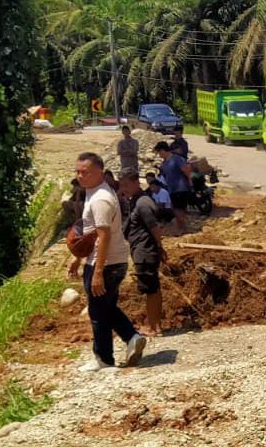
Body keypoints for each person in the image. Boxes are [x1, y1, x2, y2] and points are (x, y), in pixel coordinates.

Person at [67, 152, 147, 371]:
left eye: (86, 172)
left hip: (107, 263)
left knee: (98, 312)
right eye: (78, 172)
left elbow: (104, 236)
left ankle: (104, 359)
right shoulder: (94, 193)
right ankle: (132, 338)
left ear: (99, 172)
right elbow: (90, 233)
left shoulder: (101, 199)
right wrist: (77, 258)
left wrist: (98, 272)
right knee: (106, 306)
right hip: (113, 260)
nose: (80, 176)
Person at [119, 169, 167, 335]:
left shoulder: (143, 203)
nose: (123, 188)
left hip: (145, 252)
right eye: (121, 185)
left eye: (126, 185)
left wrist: (160, 248)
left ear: (135, 183)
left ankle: (154, 327)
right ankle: (155, 324)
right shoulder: (135, 201)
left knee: (151, 290)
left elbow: (154, 227)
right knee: (153, 288)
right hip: (142, 251)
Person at [155, 141, 193, 233]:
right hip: (172, 190)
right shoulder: (164, 164)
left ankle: (183, 230)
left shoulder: (176, 159)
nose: (159, 155)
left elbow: (186, 170)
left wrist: (190, 182)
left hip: (181, 188)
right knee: (176, 211)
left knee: (179, 211)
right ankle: (182, 229)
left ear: (163, 150)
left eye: (159, 153)